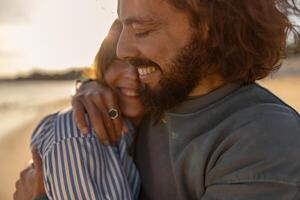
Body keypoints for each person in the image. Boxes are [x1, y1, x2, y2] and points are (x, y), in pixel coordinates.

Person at [72, 0, 300, 199]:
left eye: (141, 30)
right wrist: (93, 87)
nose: (122, 50)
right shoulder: (157, 97)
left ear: (209, 29)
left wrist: (41, 195)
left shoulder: (264, 137)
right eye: (122, 27)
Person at [14, 20, 143, 200]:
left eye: (143, 63)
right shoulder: (80, 135)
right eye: (119, 61)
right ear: (103, 65)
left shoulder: (145, 125)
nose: (133, 75)